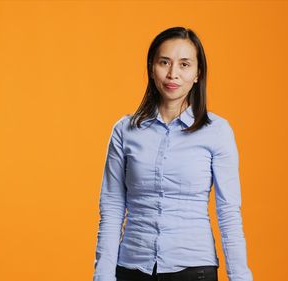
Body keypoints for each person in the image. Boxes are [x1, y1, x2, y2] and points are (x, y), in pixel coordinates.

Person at [92, 27, 253, 281]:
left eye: (184, 65)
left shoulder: (217, 131)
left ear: (198, 73)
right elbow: (111, 208)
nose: (172, 74)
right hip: (132, 268)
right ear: (151, 67)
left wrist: (241, 277)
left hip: (194, 270)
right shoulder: (125, 131)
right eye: (164, 62)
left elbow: (228, 212)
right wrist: (102, 276)